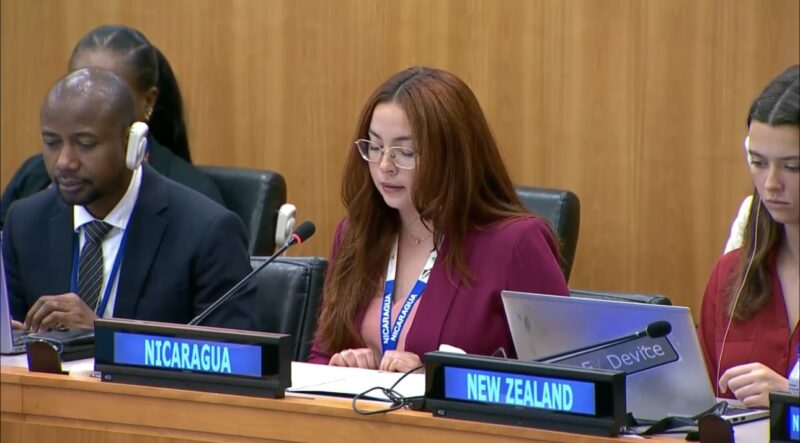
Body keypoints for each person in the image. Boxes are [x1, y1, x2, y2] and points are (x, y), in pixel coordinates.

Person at [307, 67, 569, 372]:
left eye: (405, 152)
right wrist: (339, 366)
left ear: (452, 156)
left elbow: (565, 380)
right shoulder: (356, 234)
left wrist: (436, 381)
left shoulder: (515, 245)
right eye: (375, 147)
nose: (385, 165)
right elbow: (319, 355)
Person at [2, 68, 256, 332]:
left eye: (85, 144)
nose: (65, 162)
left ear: (132, 144)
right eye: (52, 143)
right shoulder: (24, 222)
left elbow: (233, 350)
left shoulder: (206, 232)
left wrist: (104, 335)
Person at [0, 24, 223, 229]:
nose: (88, 103)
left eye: (109, 91)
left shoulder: (194, 197)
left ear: (148, 102)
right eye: (79, 87)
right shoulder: (34, 179)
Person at [698, 65, 799, 408]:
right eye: (758, 162)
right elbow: (700, 404)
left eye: (792, 166)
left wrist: (790, 398)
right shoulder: (731, 276)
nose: (771, 183)